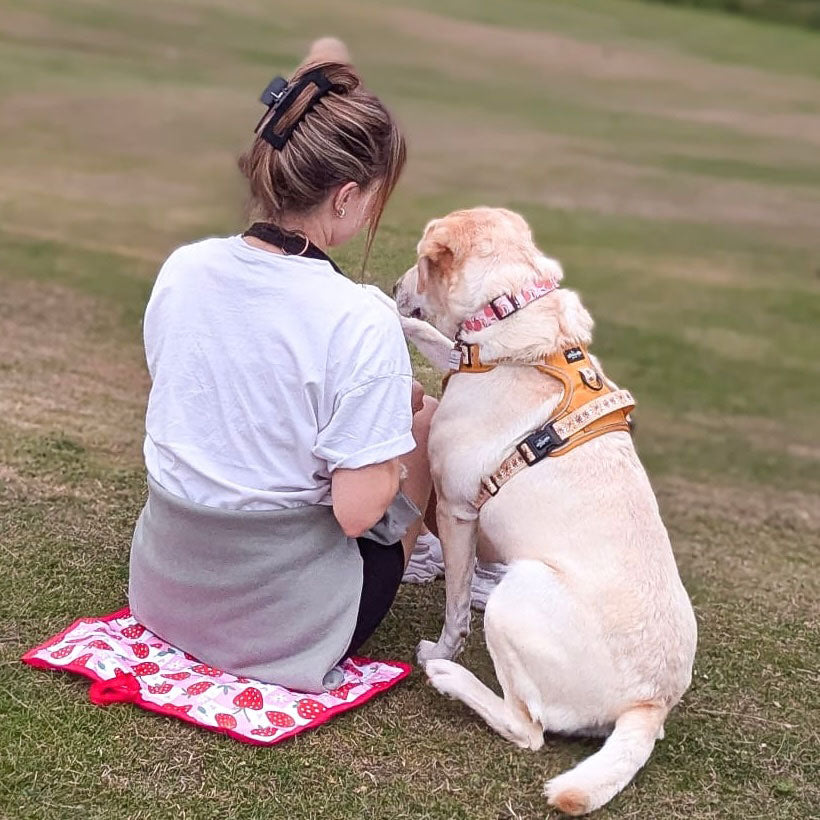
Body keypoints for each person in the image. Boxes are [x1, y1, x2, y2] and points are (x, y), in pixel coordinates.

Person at [128, 38, 439, 693]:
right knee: (428, 424)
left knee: (395, 408)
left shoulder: (184, 267)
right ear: (347, 197)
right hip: (275, 627)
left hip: (162, 590)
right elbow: (355, 513)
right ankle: (429, 552)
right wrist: (397, 444)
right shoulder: (359, 317)